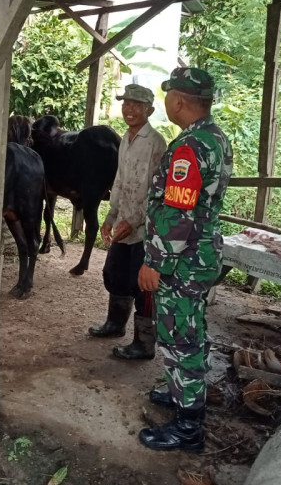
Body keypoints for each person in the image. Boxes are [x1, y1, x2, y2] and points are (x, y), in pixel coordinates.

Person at [137, 67, 233, 452]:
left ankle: (188, 426)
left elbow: (179, 215)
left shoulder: (188, 148)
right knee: (191, 326)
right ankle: (182, 391)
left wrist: (155, 262)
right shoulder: (215, 138)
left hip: (182, 259)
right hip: (201, 253)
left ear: (177, 100)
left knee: (181, 337)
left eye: (167, 97)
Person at [89, 84, 167, 361]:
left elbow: (160, 193)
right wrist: (110, 217)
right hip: (124, 223)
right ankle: (115, 324)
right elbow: (120, 182)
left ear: (150, 109)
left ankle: (144, 344)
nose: (129, 109)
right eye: (126, 103)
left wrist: (133, 221)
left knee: (143, 285)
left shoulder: (156, 143)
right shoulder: (126, 138)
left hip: (146, 229)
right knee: (114, 274)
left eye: (136, 104)